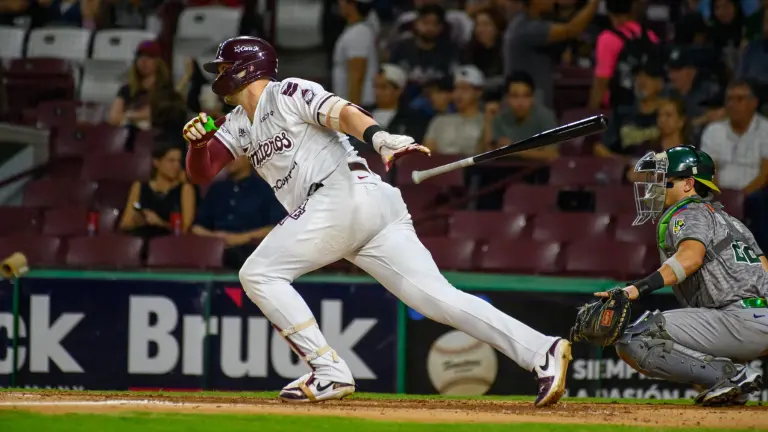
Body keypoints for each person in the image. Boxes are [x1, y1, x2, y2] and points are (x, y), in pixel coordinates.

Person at [183, 36, 571, 406]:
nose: (217, 74)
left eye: (223, 66)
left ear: (245, 69)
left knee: (259, 274)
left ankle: (328, 370)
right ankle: (542, 350)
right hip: (362, 206)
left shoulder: (285, 92)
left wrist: (379, 137)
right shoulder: (236, 121)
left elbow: (343, 112)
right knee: (439, 299)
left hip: (342, 195)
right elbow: (202, 173)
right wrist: (198, 144)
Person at [588, 145, 766, 406]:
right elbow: (764, 268)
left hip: (737, 319)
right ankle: (732, 382)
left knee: (635, 339)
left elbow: (690, 258)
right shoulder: (731, 220)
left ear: (688, 184)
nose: (655, 187)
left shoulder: (688, 213)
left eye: (664, 181)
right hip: (757, 316)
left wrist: (634, 290)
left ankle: (732, 377)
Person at [191, 155, 285, 269]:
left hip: (251, 250)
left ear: (249, 158)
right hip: (215, 250)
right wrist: (215, 237)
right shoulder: (217, 189)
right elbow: (197, 228)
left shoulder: (264, 189)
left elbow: (277, 227)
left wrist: (243, 237)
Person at [503, 0, 599, 108]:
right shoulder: (525, 28)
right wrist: (594, 3)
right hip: (526, 105)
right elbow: (571, 30)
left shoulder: (528, 21)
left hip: (533, 101)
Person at [587, 0, 659, 109]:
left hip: (616, 109)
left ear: (608, 11)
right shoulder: (651, 36)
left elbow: (601, 82)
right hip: (646, 106)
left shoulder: (607, 39)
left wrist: (591, 112)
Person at [701, 80, 768, 195]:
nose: (732, 104)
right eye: (729, 99)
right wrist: (722, 197)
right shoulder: (713, 130)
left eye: (740, 99)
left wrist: (740, 198)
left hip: (755, 196)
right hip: (718, 196)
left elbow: (765, 174)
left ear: (754, 102)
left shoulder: (765, 129)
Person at [119, 146, 195, 238]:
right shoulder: (139, 186)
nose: (176, 166)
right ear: (156, 162)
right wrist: (137, 221)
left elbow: (185, 230)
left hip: (168, 242)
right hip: (141, 238)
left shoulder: (185, 189)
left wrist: (160, 223)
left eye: (178, 161)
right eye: (171, 161)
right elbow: (124, 225)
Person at [595, 62, 665, 159]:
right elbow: (600, 147)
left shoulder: (666, 115)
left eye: (648, 77)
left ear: (659, 84)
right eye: (639, 77)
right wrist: (623, 163)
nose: (642, 81)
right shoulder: (622, 112)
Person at [484, 70, 558, 159]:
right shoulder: (500, 118)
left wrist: (514, 149)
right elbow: (487, 155)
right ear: (507, 98)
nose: (520, 102)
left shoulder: (545, 117)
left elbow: (553, 155)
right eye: (515, 96)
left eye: (526, 96)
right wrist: (488, 121)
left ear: (533, 98)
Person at [389, 4, 459, 89]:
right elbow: (390, 79)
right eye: (425, 23)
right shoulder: (401, 49)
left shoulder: (450, 51)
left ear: (441, 27)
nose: (430, 28)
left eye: (435, 24)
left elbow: (455, 82)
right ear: (416, 24)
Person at [108, 40, 172, 131]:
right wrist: (139, 116)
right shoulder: (126, 89)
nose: (144, 61)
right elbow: (113, 118)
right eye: (140, 56)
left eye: (149, 57)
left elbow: (157, 114)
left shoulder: (166, 90)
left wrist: (129, 115)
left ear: (158, 62)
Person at [423, 65, 486, 155]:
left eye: (464, 89)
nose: (458, 94)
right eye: (456, 88)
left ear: (478, 92)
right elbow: (427, 154)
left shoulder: (485, 121)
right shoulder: (439, 121)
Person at [366, 64, 430, 143]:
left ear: (398, 91)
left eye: (383, 87)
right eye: (376, 87)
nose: (377, 92)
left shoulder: (412, 119)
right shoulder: (362, 113)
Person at [666, 47, 725, 133]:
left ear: (692, 71)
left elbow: (721, 114)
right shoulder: (667, 94)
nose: (672, 76)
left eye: (677, 71)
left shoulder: (710, 91)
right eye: (670, 71)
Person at [333, 0, 378, 106]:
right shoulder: (356, 29)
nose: (339, 3)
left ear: (352, 4)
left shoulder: (358, 33)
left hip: (359, 104)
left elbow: (357, 76)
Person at [460, 8, 505, 80]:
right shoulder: (468, 51)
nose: (480, 29)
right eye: (477, 25)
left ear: (497, 27)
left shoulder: (505, 51)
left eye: (486, 24)